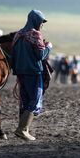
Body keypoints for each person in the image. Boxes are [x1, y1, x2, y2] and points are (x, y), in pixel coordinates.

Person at [12, 10, 52, 141]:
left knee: (25, 100)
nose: (42, 25)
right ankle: (22, 129)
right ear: (36, 21)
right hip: (34, 72)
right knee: (35, 100)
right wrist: (48, 48)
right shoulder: (35, 34)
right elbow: (40, 55)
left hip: (21, 72)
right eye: (41, 22)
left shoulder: (18, 34)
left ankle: (24, 129)